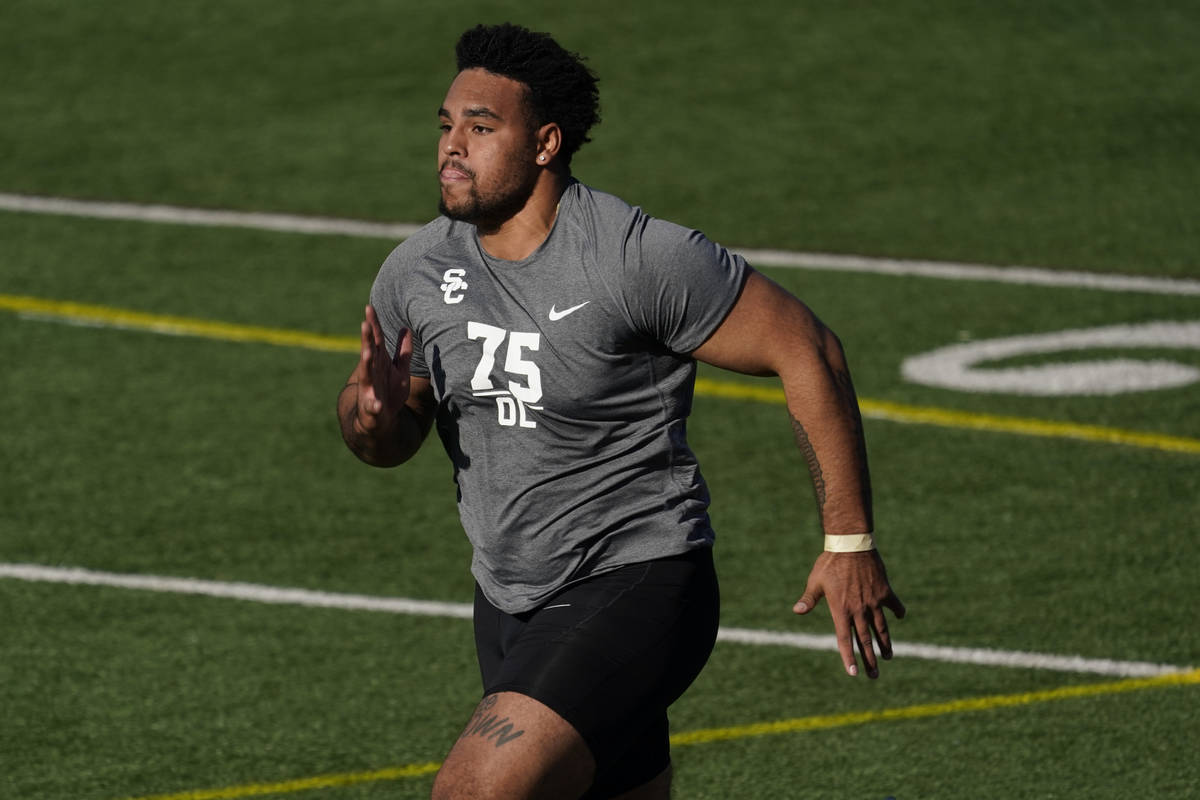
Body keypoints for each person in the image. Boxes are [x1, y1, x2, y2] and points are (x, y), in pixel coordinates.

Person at [337, 22, 905, 800]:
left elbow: (808, 349)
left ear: (544, 144)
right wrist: (371, 419)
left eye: (480, 126)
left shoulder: (633, 257)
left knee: (473, 792)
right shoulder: (419, 270)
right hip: (507, 596)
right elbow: (388, 430)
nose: (451, 146)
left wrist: (849, 542)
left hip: (638, 580)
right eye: (445, 125)